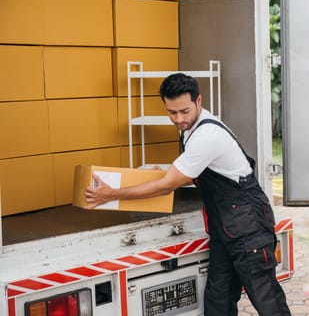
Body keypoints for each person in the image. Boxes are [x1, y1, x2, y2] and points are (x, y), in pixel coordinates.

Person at [85, 73, 291, 316]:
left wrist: (112, 194)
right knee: (218, 298)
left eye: (184, 111)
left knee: (267, 300)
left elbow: (167, 186)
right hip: (225, 224)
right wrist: (164, 172)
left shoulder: (207, 136)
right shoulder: (190, 128)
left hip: (248, 225)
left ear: (199, 101)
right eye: (172, 113)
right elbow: (185, 169)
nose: (179, 119)